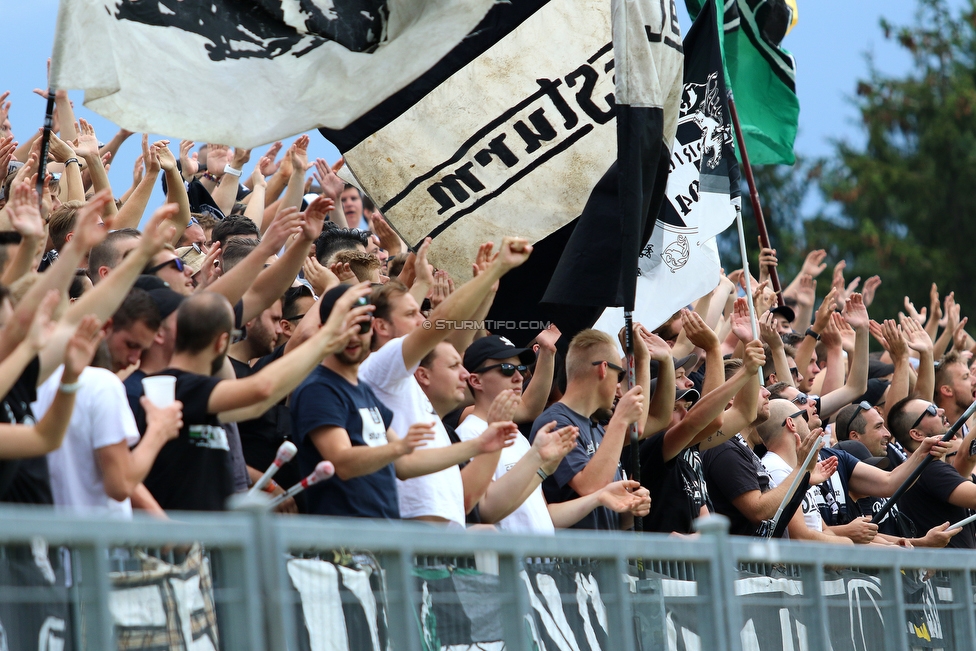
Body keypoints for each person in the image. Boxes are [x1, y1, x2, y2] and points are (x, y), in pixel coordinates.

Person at [129, 284, 370, 511]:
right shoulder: (182, 387)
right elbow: (261, 389)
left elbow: (258, 404)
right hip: (177, 543)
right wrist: (326, 336)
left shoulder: (192, 391)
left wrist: (324, 344)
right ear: (223, 342)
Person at [291, 285, 515, 520]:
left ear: (372, 328)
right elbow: (342, 462)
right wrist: (399, 447)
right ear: (322, 329)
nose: (355, 335)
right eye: (345, 325)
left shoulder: (363, 390)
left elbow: (406, 465)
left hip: (381, 538)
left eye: (363, 325)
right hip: (346, 541)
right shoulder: (318, 387)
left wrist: (479, 445)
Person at [357, 237, 532, 526]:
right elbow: (440, 324)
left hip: (443, 549)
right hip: (415, 541)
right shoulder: (379, 365)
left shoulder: (407, 385)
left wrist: (486, 292)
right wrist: (495, 269)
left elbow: (453, 344)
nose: (420, 320)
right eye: (411, 314)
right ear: (381, 326)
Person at [447, 337, 648, 533]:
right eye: (507, 370)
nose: (519, 377)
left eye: (522, 369)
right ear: (475, 380)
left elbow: (544, 516)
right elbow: (483, 512)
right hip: (511, 564)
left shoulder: (518, 437)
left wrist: (600, 498)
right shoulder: (469, 433)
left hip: (542, 565)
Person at [529, 329, 648, 531]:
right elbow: (590, 487)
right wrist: (620, 419)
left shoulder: (596, 428)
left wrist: (630, 507)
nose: (620, 387)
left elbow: (607, 513)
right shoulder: (556, 422)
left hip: (606, 559)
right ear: (603, 369)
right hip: (574, 561)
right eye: (619, 375)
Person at [887, 397, 976, 549]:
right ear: (917, 434)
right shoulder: (929, 470)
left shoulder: (922, 470)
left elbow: (966, 457)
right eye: (932, 411)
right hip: (948, 571)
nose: (941, 411)